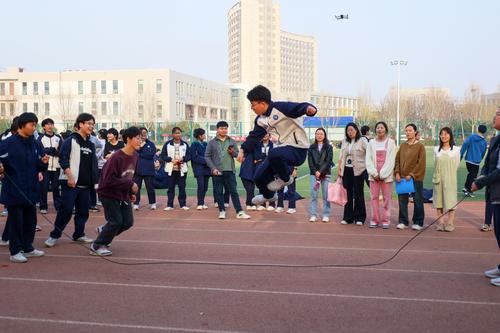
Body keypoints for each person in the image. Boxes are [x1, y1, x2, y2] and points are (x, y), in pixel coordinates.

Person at [237, 85, 317, 206]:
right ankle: (268, 196)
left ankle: (285, 179)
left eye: (253, 104)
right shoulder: (260, 120)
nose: (251, 108)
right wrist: (243, 150)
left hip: (298, 149)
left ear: (262, 103)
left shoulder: (280, 108)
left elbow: (297, 107)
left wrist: (308, 108)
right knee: (258, 176)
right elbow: (254, 137)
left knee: (273, 153)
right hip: (281, 152)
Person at [0, 112, 49, 262]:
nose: (34, 128)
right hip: (14, 189)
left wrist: (44, 163)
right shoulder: (8, 143)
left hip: (31, 189)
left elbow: (38, 164)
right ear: (22, 125)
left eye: (35, 125)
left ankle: (28, 247)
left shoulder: (35, 143)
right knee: (16, 222)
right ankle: (15, 252)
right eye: (31, 125)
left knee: (31, 221)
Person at [44, 113, 98, 248]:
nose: (91, 126)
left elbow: (93, 164)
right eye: (88, 123)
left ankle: (79, 234)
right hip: (71, 183)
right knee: (66, 211)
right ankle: (54, 235)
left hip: (85, 185)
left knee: (83, 212)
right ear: (80, 124)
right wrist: (70, 176)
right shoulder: (70, 140)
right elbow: (63, 158)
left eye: (92, 124)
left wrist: (94, 181)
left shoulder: (90, 144)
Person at [90, 127, 141, 256]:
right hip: (108, 193)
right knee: (116, 221)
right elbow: (108, 180)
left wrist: (130, 193)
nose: (141, 140)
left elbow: (128, 175)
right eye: (138, 138)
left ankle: (104, 231)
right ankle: (97, 245)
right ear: (128, 139)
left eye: (141, 137)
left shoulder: (135, 156)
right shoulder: (116, 157)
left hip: (122, 193)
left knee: (128, 222)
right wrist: (130, 185)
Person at [471, 107, 500, 286]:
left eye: (498, 113)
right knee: (498, 232)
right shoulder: (495, 139)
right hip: (495, 193)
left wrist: (480, 183)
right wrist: (481, 176)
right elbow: (488, 164)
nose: (494, 116)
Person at [205, 121, 250, 220]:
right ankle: (222, 211)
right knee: (218, 191)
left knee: (233, 191)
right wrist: (213, 168)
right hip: (217, 171)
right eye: (221, 128)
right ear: (217, 129)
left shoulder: (231, 141)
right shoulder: (212, 142)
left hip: (230, 170)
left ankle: (239, 212)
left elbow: (237, 154)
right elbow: (207, 157)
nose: (224, 130)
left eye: (225, 128)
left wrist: (233, 152)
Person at [394, 123, 426, 231]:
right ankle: (403, 221)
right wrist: (397, 172)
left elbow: (421, 163)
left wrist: (412, 175)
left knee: (417, 200)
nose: (408, 132)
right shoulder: (403, 145)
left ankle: (418, 222)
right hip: (402, 178)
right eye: (406, 131)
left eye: (410, 130)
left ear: (415, 132)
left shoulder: (420, 146)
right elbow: (397, 160)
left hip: (415, 178)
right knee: (402, 200)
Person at [365, 121, 396, 229]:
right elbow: (368, 159)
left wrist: (382, 174)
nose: (380, 129)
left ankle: (386, 220)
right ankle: (374, 220)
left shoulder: (391, 143)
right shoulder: (371, 143)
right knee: (374, 198)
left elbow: (391, 160)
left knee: (387, 198)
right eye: (378, 128)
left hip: (386, 176)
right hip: (373, 176)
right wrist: (374, 173)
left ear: (385, 129)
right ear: (375, 130)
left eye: (382, 127)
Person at [338, 123, 367, 225]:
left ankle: (360, 217)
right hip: (346, 170)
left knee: (359, 193)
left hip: (358, 170)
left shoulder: (362, 141)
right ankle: (348, 217)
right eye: (348, 130)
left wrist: (365, 166)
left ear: (356, 130)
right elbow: (341, 157)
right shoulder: (344, 142)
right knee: (348, 194)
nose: (350, 132)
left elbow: (369, 153)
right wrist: (339, 171)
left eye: (352, 130)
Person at [433, 127, 460, 232]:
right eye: (442, 134)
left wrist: (450, 174)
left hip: (450, 178)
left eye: (446, 134)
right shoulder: (436, 150)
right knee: (438, 200)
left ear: (450, 135)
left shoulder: (456, 150)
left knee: (451, 200)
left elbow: (457, 164)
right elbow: (435, 163)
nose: (444, 136)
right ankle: (440, 222)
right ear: (439, 136)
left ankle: (450, 222)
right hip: (438, 178)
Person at [160, 127, 190, 210]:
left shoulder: (185, 144)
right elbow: (163, 155)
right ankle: (170, 205)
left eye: (179, 133)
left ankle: (183, 204)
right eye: (176, 133)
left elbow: (189, 156)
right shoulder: (167, 144)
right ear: (173, 134)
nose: (178, 134)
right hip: (170, 169)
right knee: (170, 188)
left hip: (182, 169)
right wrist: (170, 160)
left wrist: (183, 159)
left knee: (182, 188)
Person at [308, 128, 334, 223]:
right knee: (314, 195)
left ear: (324, 135)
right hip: (313, 174)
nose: (319, 135)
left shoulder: (329, 147)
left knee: (326, 195)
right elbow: (310, 162)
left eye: (321, 134)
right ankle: (313, 215)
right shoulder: (311, 147)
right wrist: (315, 172)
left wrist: (320, 171)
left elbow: (329, 161)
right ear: (315, 135)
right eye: (317, 134)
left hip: (325, 173)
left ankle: (326, 214)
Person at [37, 118, 62, 215]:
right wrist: (49, 151)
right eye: (47, 124)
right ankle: (43, 206)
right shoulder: (40, 138)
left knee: (56, 187)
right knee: (44, 187)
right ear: (43, 127)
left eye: (51, 124)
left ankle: (58, 206)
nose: (50, 126)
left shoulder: (58, 138)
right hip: (45, 167)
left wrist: (52, 151)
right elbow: (40, 152)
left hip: (56, 166)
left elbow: (61, 151)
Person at [133, 127, 157, 210]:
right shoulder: (135, 144)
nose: (144, 135)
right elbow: (134, 154)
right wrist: (140, 148)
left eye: (145, 133)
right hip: (137, 169)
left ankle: (152, 203)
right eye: (142, 133)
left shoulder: (151, 144)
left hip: (149, 169)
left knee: (150, 187)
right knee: (136, 187)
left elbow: (150, 154)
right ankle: (136, 203)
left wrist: (140, 152)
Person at [460, 125, 487, 197]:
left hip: (468, 160)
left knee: (470, 174)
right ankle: (468, 190)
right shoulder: (484, 141)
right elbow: (483, 152)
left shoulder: (472, 137)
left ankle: (466, 187)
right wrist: (480, 158)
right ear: (485, 132)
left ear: (478, 129)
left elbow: (465, 144)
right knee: (473, 175)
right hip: (476, 162)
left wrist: (461, 155)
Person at [254, 133, 276, 211]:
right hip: (260, 168)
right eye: (263, 134)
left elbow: (273, 156)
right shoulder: (258, 145)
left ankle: (272, 204)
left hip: (270, 168)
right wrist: (264, 158)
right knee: (261, 186)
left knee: (271, 186)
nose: (264, 135)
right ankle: (262, 204)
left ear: (269, 135)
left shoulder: (272, 145)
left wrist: (262, 159)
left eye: (266, 134)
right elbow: (257, 156)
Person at [90, 128, 107, 208]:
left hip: (99, 165)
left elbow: (99, 153)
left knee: (98, 183)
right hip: (103, 164)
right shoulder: (105, 142)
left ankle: (100, 199)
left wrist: (94, 157)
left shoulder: (99, 141)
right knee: (101, 183)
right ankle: (100, 199)